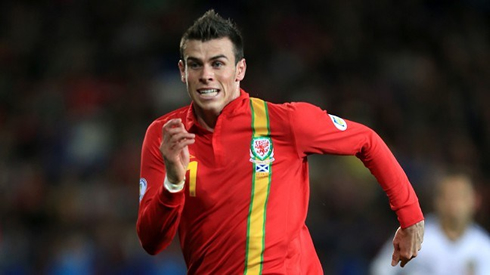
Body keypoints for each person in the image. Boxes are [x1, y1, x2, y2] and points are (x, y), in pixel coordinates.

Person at [136, 9, 424, 274]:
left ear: (240, 70)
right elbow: (152, 242)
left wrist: (410, 217)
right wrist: (173, 183)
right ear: (182, 71)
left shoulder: (285, 122)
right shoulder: (165, 135)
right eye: (195, 65)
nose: (206, 75)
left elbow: (366, 141)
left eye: (218, 63)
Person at [370, 173, 490, 275]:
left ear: (474, 201)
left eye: (460, 196)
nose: (454, 203)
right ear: (438, 201)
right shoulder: (413, 235)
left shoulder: (484, 247)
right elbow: (380, 269)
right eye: (449, 196)